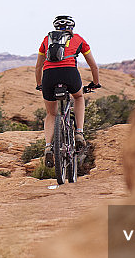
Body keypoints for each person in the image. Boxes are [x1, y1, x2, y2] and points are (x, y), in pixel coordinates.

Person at [35, 15, 101, 167]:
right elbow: (94, 66)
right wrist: (95, 83)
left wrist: (39, 84)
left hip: (49, 77)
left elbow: (38, 67)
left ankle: (48, 147)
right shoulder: (79, 39)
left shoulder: (47, 40)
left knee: (51, 113)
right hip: (70, 73)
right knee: (78, 97)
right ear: (72, 28)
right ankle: (79, 132)